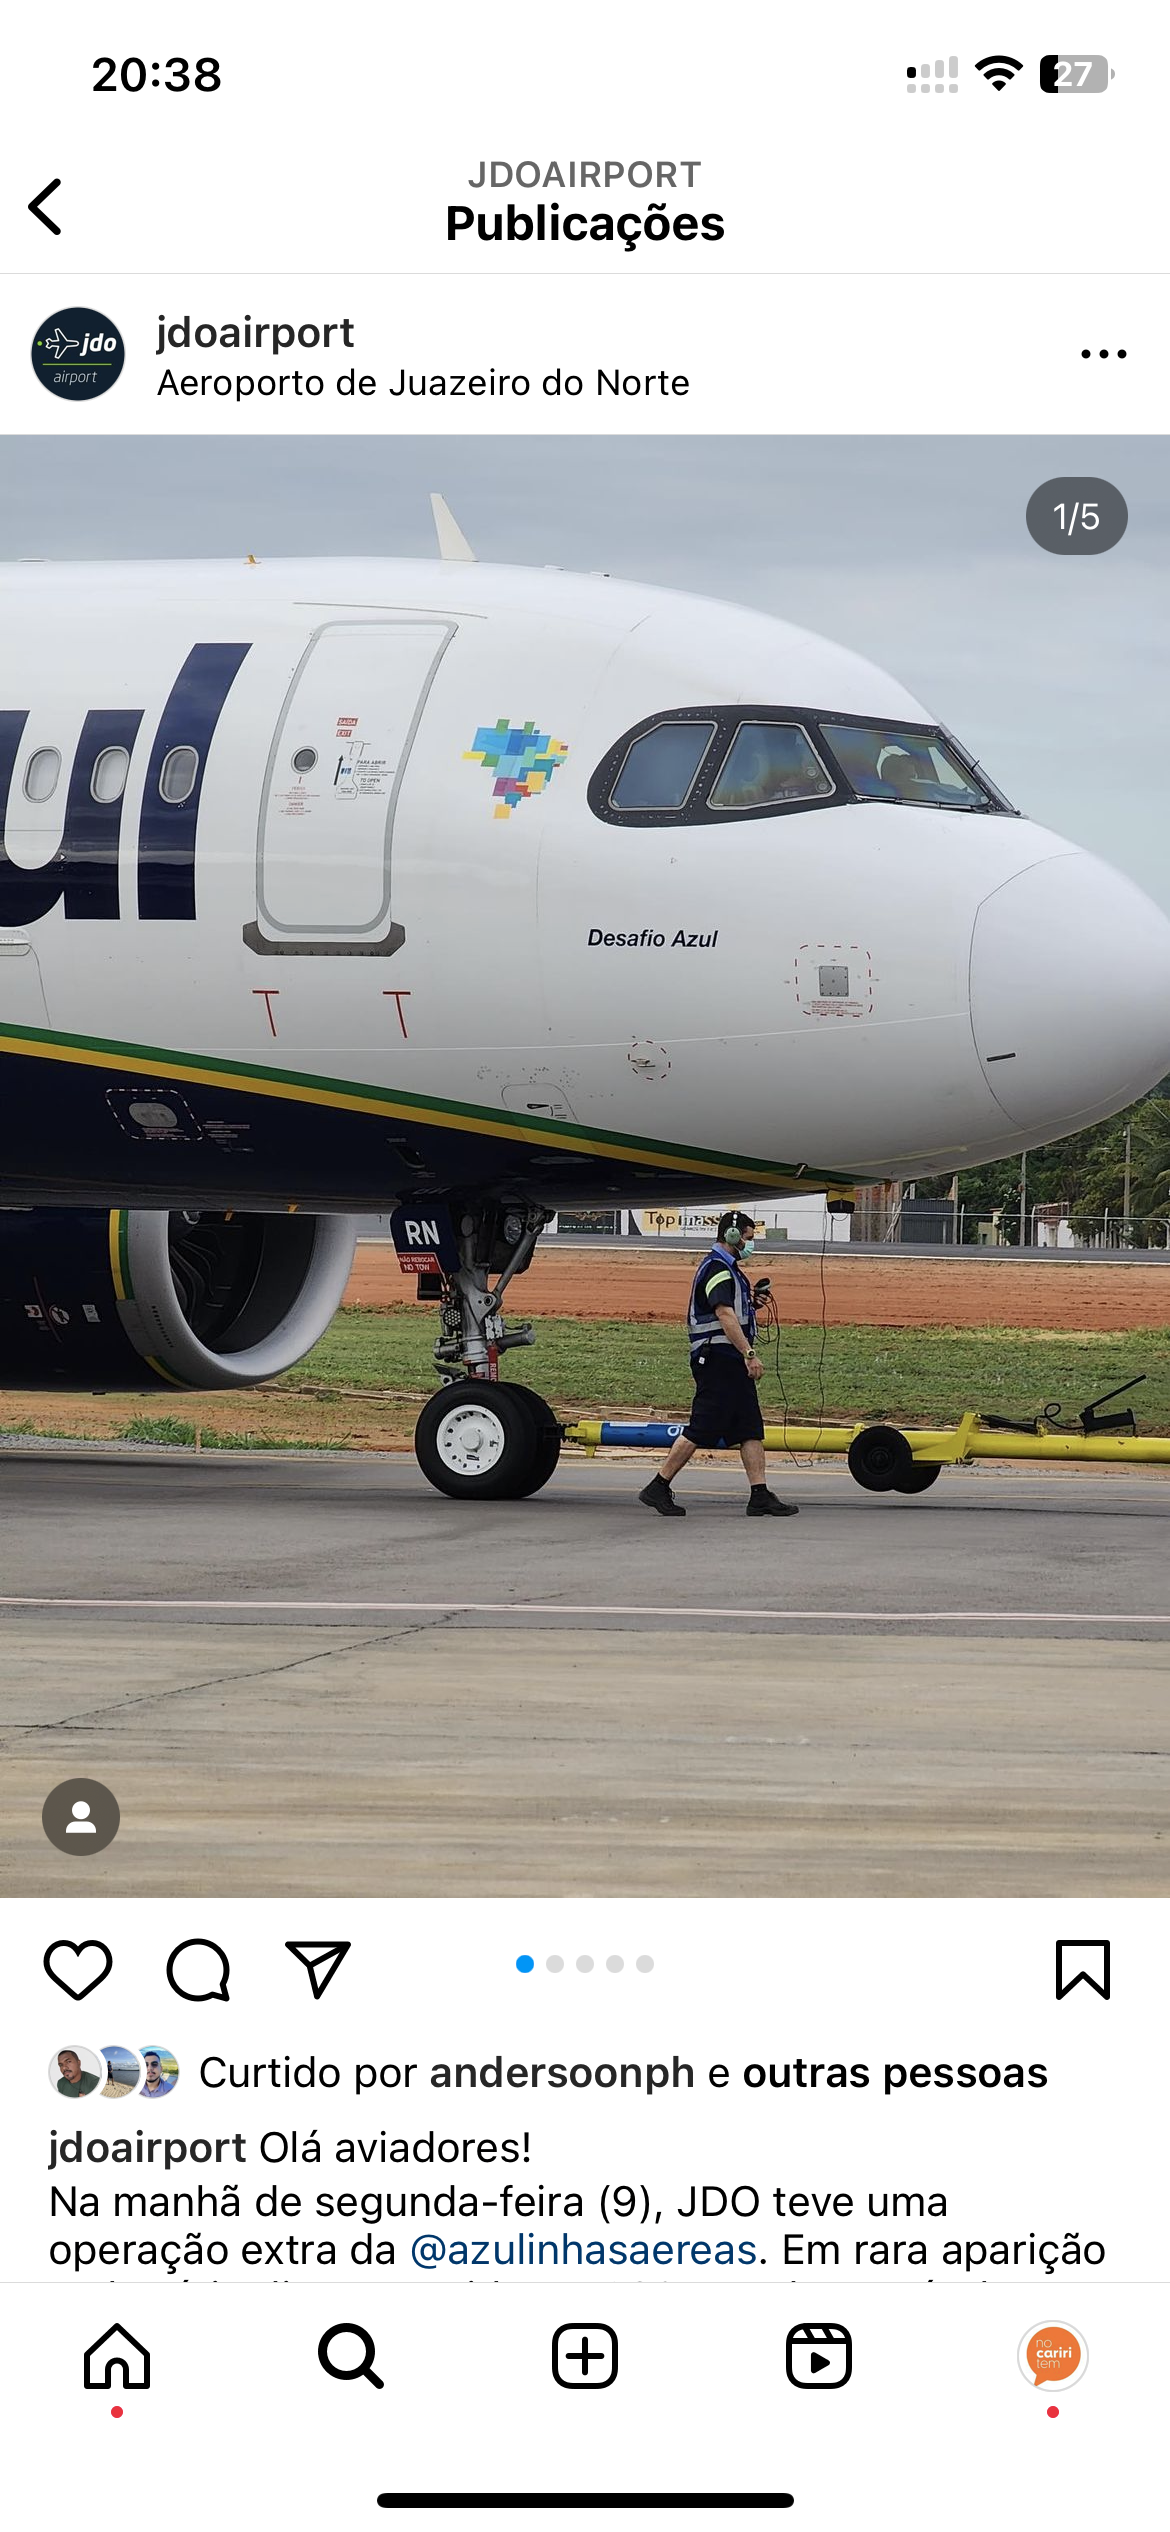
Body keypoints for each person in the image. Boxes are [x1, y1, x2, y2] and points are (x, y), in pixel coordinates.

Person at [639, 1209, 799, 1518]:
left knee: (750, 1427)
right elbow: (724, 1314)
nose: (752, 1245)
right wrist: (749, 1354)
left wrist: (751, 1303)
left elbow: (729, 1309)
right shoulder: (718, 1269)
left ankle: (759, 1495)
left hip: (726, 1358)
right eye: (749, 1238)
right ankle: (657, 1486)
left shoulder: (729, 1269)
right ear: (733, 1236)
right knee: (702, 1426)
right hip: (719, 1358)